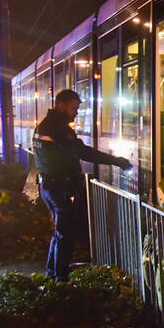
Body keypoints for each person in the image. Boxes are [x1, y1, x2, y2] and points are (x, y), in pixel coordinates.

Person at [34, 89, 132, 281]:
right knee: (66, 236)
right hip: (60, 188)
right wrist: (116, 160)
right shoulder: (58, 128)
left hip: (49, 186)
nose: (76, 112)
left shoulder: (45, 125)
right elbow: (82, 152)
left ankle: (51, 275)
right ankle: (60, 281)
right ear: (61, 104)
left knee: (60, 233)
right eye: (74, 108)